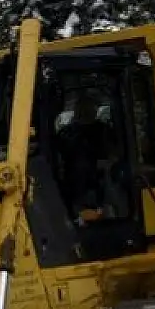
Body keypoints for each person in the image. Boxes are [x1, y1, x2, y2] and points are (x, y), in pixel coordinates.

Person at [55, 88, 121, 220]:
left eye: (90, 107)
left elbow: (115, 153)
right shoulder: (67, 133)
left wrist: (108, 163)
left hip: (105, 181)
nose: (86, 110)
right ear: (76, 111)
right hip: (76, 185)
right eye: (82, 107)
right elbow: (59, 159)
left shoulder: (104, 130)